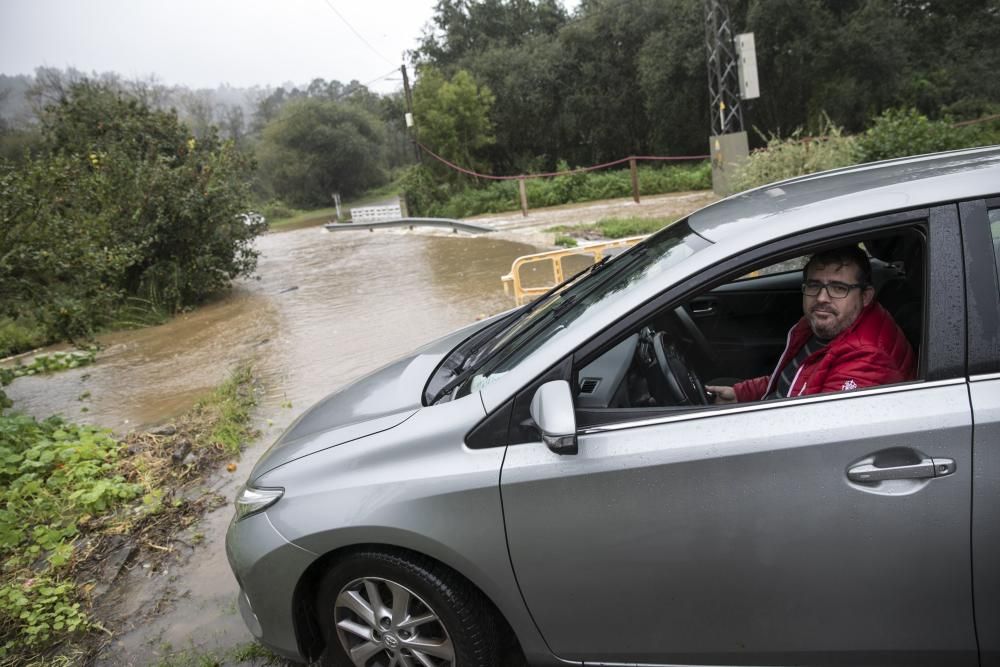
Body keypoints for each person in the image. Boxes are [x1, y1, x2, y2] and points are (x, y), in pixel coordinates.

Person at [707, 245, 915, 403]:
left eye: (839, 288)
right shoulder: (825, 324)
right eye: (814, 285)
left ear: (866, 296)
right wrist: (740, 394)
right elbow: (796, 379)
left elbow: (812, 433)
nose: (822, 298)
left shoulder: (867, 359)